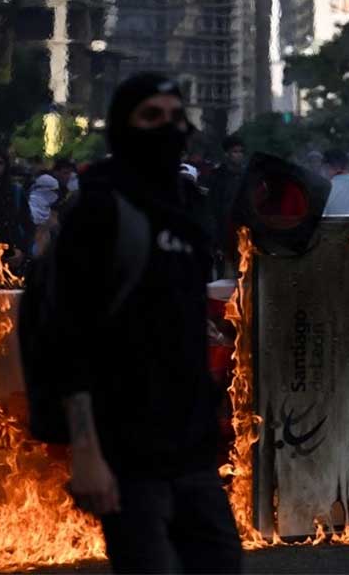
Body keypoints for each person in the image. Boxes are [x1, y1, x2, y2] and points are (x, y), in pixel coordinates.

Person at [44, 72, 240, 573]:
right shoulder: (99, 210)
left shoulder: (188, 212)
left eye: (176, 117)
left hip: (193, 447)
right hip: (127, 451)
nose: (168, 128)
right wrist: (85, 452)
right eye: (151, 116)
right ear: (122, 127)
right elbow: (68, 336)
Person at [203, 135, 247, 275]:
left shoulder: (247, 175)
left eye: (241, 152)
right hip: (224, 232)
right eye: (235, 152)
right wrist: (215, 239)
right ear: (227, 154)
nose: (238, 155)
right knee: (225, 277)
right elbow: (212, 208)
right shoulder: (218, 176)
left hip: (244, 231)